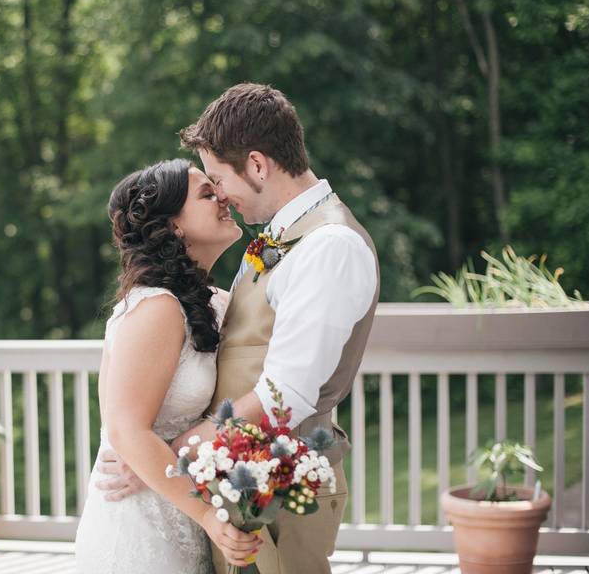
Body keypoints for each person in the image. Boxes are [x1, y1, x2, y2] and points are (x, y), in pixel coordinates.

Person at [95, 83, 380, 574]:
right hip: (229, 489)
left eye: (216, 179)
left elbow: (285, 393)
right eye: (207, 187)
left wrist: (172, 452)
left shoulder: (330, 244)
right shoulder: (274, 241)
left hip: (284, 487)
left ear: (257, 165)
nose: (221, 196)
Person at [75, 158, 261, 573]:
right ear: (174, 225)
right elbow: (125, 429)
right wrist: (211, 518)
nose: (223, 198)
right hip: (140, 527)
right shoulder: (156, 307)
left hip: (182, 509)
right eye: (207, 193)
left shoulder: (214, 302)